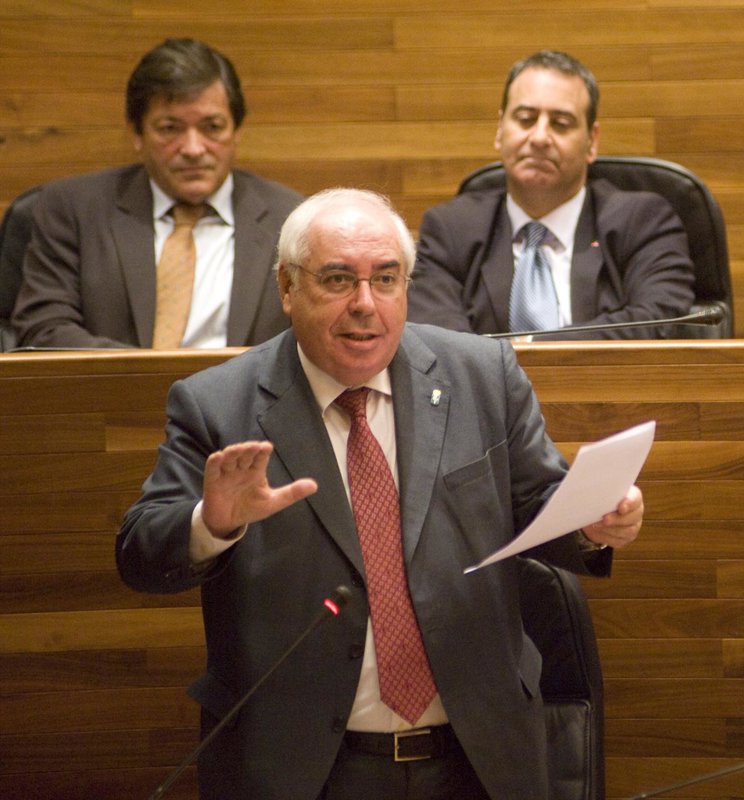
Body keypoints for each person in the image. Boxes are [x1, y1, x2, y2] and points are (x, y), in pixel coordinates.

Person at [115, 187, 644, 800]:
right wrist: (213, 524)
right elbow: (140, 554)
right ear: (287, 286)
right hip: (305, 767)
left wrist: (593, 523)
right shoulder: (216, 403)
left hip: (480, 755)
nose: (365, 304)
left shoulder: (482, 375)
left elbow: (540, 502)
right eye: (338, 279)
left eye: (385, 279)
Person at [12, 38, 302, 349]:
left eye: (212, 127)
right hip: (111, 382)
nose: (193, 149)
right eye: (169, 128)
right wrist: (145, 373)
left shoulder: (292, 220)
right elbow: (44, 329)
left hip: (246, 382)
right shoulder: (73, 209)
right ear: (136, 133)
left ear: (237, 131)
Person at [407, 50, 695, 339]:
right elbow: (439, 340)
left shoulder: (643, 223)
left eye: (561, 124)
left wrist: (530, 346)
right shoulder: (451, 230)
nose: (540, 138)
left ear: (592, 141)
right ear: (500, 130)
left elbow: (657, 321)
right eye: (525, 119)